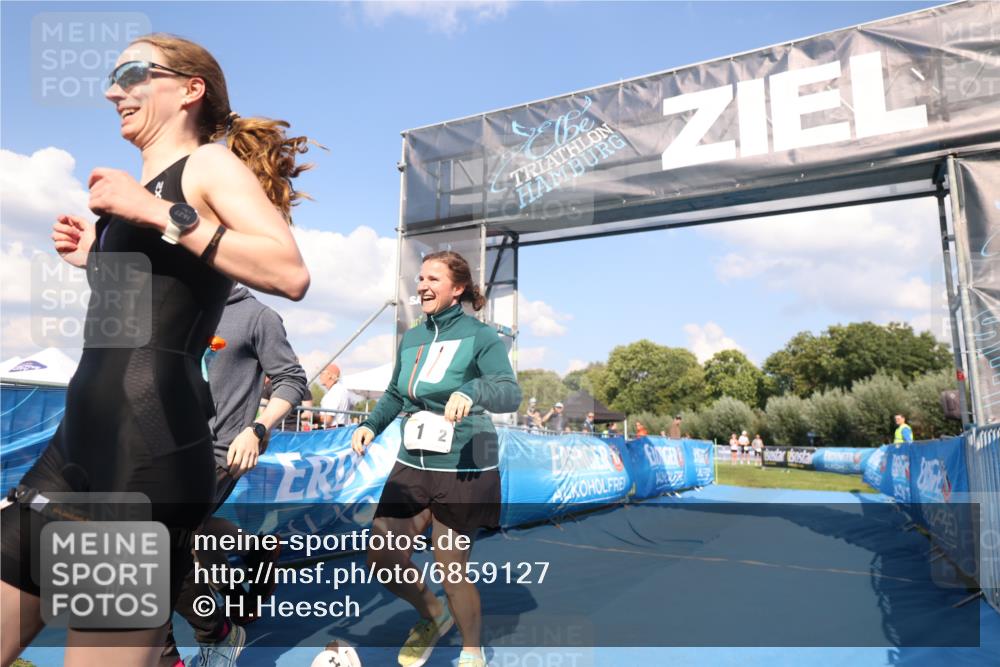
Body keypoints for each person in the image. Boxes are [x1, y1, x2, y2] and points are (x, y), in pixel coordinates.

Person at [2, 34, 312, 667]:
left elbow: (289, 271)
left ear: (189, 90)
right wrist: (96, 259)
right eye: (115, 78)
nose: (115, 90)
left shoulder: (207, 165)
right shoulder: (147, 194)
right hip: (73, 450)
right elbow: (138, 324)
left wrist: (154, 210)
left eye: (133, 73)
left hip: (143, 457)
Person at [350, 251, 521, 667]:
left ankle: (472, 650)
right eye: (420, 278)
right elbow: (394, 393)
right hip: (412, 462)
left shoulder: (481, 337)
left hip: (464, 466)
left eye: (433, 279)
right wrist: (372, 424)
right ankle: (433, 614)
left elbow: (508, 391)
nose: (422, 286)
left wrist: (474, 392)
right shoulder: (412, 336)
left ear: (457, 288)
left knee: (451, 568)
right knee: (383, 558)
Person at [161, 284, 308, 667]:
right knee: (189, 535)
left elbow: (292, 380)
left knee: (157, 544)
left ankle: (207, 639)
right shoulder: (178, 306)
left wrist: (256, 430)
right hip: (163, 451)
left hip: (219, 453)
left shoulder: (258, 316)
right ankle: (258, 551)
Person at [318, 363, 362, 428]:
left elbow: (328, 419)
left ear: (330, 375)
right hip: (341, 430)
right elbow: (353, 405)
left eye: (322, 373)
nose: (320, 376)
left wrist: (311, 417)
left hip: (331, 432)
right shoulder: (343, 390)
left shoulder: (334, 393)